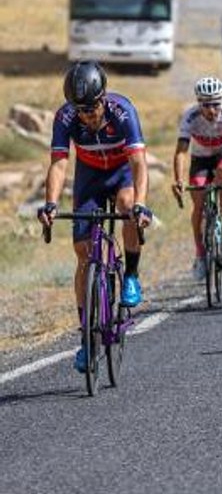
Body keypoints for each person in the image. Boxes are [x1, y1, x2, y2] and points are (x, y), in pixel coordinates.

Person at [37, 61, 153, 373]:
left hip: (121, 173)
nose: (86, 115)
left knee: (128, 205)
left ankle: (130, 274)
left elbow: (139, 163)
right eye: (80, 110)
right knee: (84, 253)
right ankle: (87, 338)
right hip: (89, 176)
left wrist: (141, 205)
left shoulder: (123, 111)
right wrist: (50, 203)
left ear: (103, 98)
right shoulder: (65, 117)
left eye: (91, 108)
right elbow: (59, 163)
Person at [171, 76, 222, 280]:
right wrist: (178, 179)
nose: (212, 110)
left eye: (216, 104)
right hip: (200, 159)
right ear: (199, 103)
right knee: (198, 198)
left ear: (221, 101)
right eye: (206, 105)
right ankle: (200, 254)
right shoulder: (190, 117)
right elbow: (181, 152)